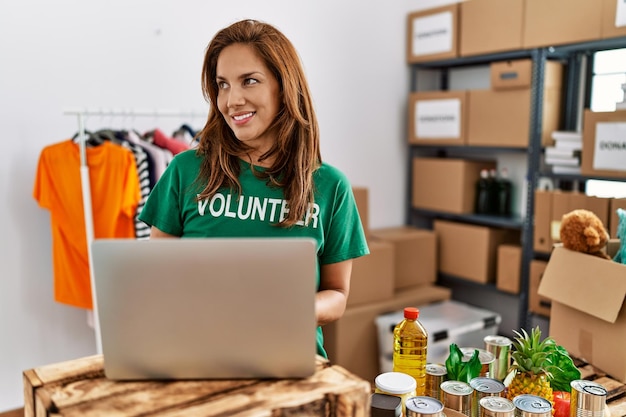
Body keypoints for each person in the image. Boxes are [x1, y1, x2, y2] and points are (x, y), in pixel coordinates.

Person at [139, 19, 369, 358]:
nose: (232, 100)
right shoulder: (185, 170)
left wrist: (283, 310)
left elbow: (336, 295)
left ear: (284, 86)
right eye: (223, 85)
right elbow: (157, 277)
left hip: (290, 360)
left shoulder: (330, 186)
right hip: (197, 355)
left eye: (249, 81)